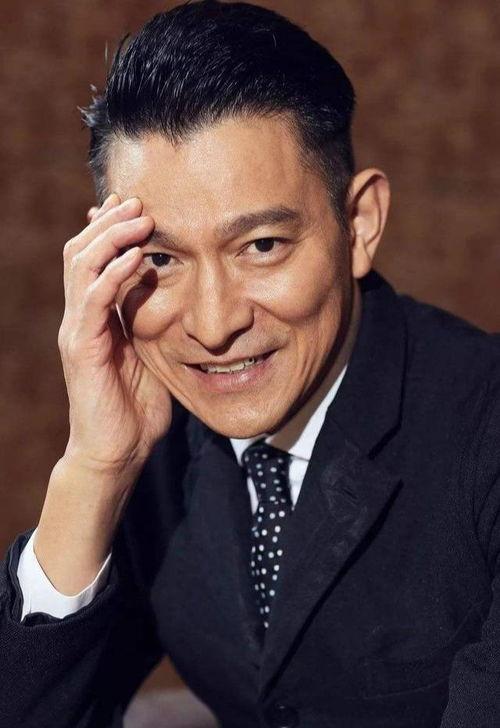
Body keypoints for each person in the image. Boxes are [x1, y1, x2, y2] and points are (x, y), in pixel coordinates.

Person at [1, 1, 499, 726]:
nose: (213, 325)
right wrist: (93, 469)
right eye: (160, 258)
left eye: (261, 246)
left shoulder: (483, 430)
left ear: (359, 224)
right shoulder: (154, 436)